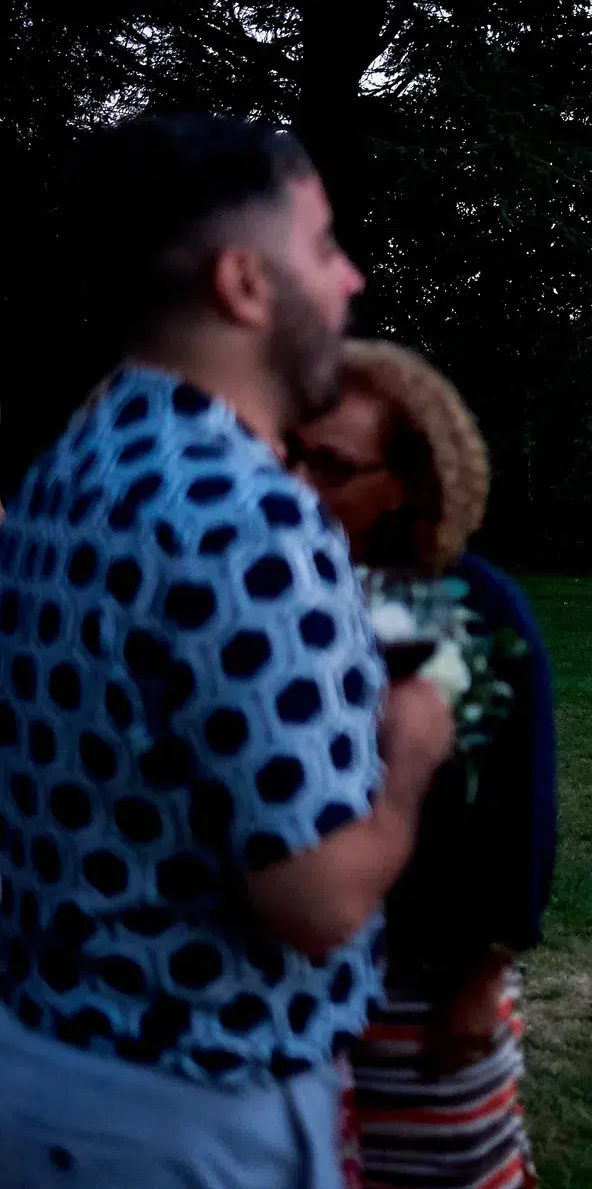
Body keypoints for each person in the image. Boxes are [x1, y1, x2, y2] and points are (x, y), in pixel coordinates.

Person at [0, 114, 454, 1186]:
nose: (351, 280)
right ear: (247, 284)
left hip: (57, 1073)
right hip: (187, 1114)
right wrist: (412, 758)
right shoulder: (251, 518)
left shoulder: (76, 462)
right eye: (326, 247)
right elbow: (315, 901)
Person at [292, 340, 555, 1189]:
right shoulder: (268, 593)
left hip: (426, 981)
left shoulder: (471, 611)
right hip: (293, 980)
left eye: (330, 466)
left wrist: (483, 976)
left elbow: (520, 805)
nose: (295, 483)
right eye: (288, 453)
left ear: (406, 482)